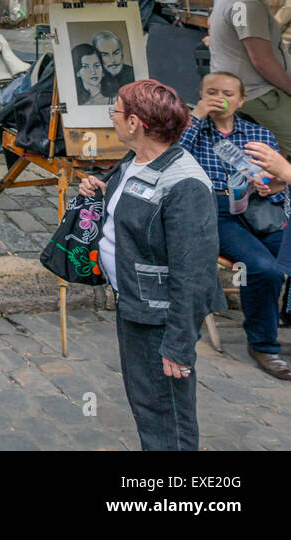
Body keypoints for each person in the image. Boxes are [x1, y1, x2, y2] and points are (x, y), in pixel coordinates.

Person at [77, 79, 223, 451]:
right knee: (147, 405)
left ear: (135, 123)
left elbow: (196, 274)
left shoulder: (186, 184)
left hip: (160, 319)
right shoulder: (136, 160)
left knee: (166, 416)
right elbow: (138, 212)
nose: (111, 116)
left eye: (117, 110)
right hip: (134, 306)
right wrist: (101, 192)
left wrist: (178, 345)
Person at [180, 72, 291, 379]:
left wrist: (271, 185)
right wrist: (197, 114)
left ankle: (281, 320)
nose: (220, 97)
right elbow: (172, 158)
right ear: (201, 95)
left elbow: (278, 178)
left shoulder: (258, 134)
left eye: (227, 93)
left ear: (241, 100)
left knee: (286, 259)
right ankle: (265, 346)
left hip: (259, 208)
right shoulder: (193, 131)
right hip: (215, 209)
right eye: (211, 92)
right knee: (264, 268)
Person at [210, 0, 291, 152]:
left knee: (275, 151)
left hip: (246, 89)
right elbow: (262, 60)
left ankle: (272, 180)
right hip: (258, 93)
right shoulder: (246, 3)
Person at [93, 30, 134, 96]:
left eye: (116, 53)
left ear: (122, 52)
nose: (112, 60)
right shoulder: (93, 79)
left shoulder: (133, 74)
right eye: (105, 55)